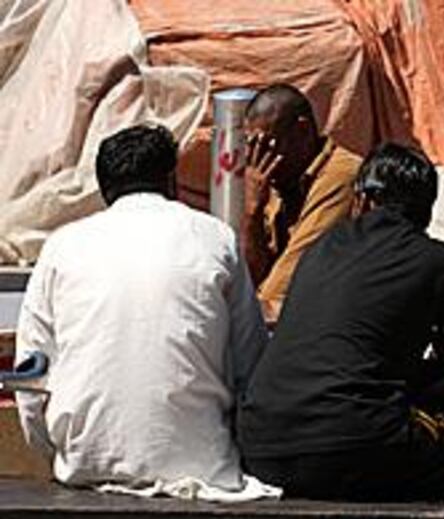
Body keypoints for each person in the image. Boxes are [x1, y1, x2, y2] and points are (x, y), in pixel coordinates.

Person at [237, 143, 444, 519]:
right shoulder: (439, 262)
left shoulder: (320, 251)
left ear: (361, 200)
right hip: (352, 446)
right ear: (425, 210)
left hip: (260, 446)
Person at [15, 124, 268, 491]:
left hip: (85, 468)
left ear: (105, 190)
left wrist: (58, 455)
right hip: (205, 469)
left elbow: (30, 377)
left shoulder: (62, 247)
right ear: (171, 181)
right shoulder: (217, 239)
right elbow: (251, 364)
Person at [241, 83, 361, 323]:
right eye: (252, 146)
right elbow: (251, 276)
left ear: (302, 131)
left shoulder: (341, 176)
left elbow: (279, 291)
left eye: (268, 145)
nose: (257, 158)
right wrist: (252, 213)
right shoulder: (279, 174)